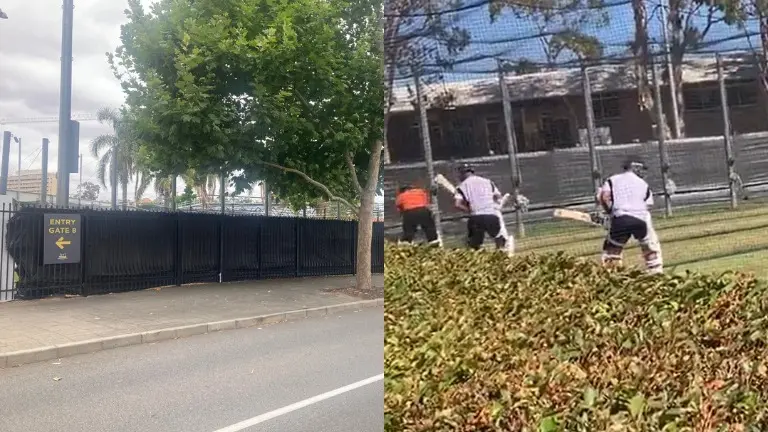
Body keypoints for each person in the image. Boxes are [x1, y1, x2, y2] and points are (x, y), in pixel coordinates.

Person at [596, 156, 663, 274]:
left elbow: (604, 197)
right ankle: (656, 273)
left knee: (612, 251)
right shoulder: (643, 184)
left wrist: (610, 213)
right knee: (650, 248)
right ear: (635, 168)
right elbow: (648, 205)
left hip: (621, 219)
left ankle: (611, 276)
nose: (643, 173)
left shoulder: (612, 180)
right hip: (641, 221)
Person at [453, 163, 512, 254]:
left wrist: (469, 209)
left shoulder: (461, 186)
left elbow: (457, 204)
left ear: (462, 174)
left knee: (474, 245)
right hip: (492, 215)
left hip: (476, 217)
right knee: (499, 238)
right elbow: (498, 196)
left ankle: (481, 258)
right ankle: (502, 255)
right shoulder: (487, 181)